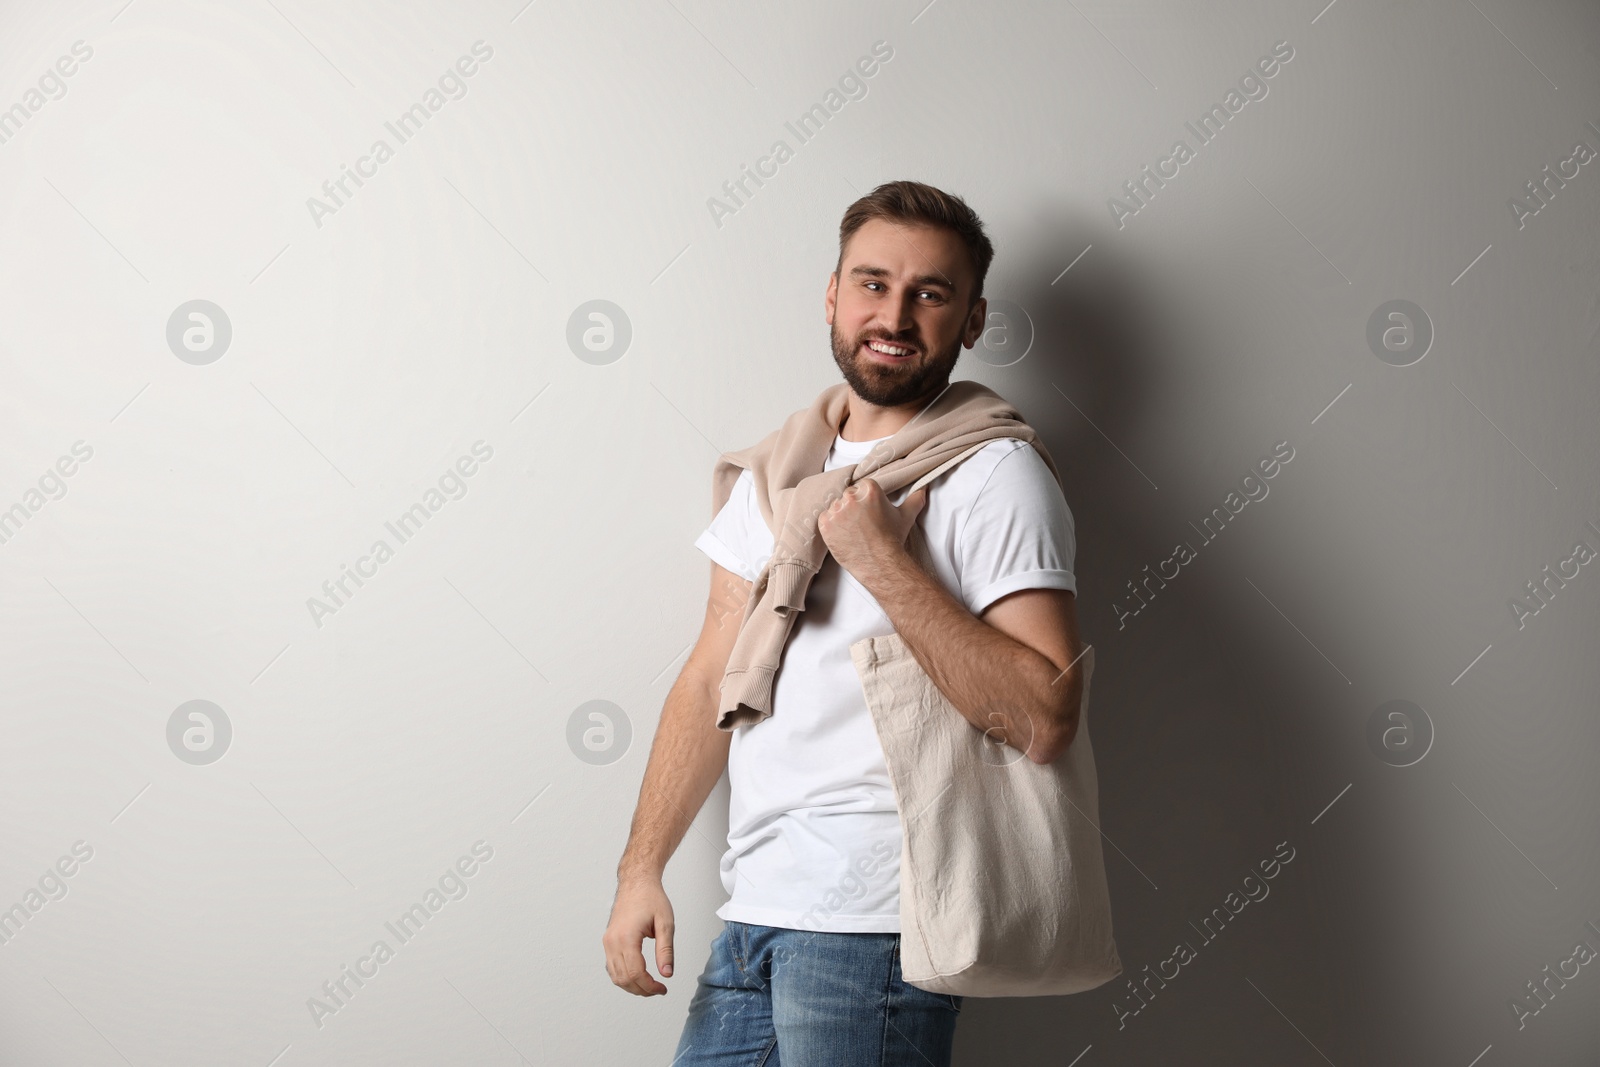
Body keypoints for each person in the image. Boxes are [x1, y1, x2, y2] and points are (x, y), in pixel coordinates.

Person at [602, 180, 1086, 1066]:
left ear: (972, 320)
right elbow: (711, 675)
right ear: (832, 294)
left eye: (930, 294)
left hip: (876, 924)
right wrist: (641, 870)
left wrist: (882, 559)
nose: (893, 313)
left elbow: (1045, 715)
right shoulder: (777, 474)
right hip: (753, 912)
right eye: (872, 283)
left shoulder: (996, 472)